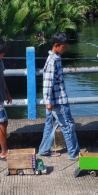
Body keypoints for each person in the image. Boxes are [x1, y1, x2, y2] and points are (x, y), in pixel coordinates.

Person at [38, 32, 80, 160]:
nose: (65, 49)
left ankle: (44, 150)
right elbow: (47, 83)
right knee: (67, 125)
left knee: (50, 124)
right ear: (56, 45)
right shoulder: (52, 61)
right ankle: (74, 153)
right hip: (58, 100)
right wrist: (48, 101)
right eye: (63, 47)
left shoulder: (56, 58)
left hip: (54, 100)